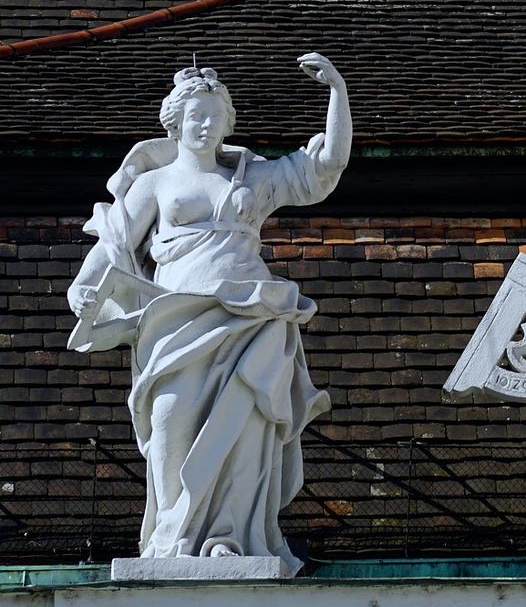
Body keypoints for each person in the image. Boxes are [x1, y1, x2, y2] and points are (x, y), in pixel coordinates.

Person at [68, 54, 350, 571]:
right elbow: (112, 248)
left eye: (215, 117)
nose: (205, 125)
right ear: (174, 121)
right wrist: (82, 293)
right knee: (169, 423)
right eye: (195, 115)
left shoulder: (254, 178)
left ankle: (230, 538)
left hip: (250, 320)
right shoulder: (155, 184)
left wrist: (336, 92)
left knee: (245, 429)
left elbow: (324, 169)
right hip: (174, 320)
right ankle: (172, 536)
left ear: (226, 124)